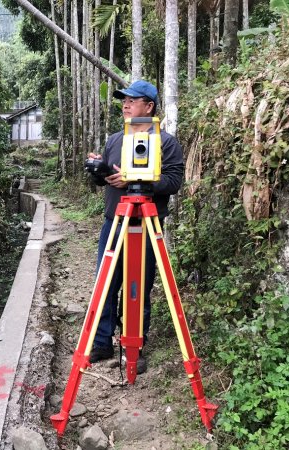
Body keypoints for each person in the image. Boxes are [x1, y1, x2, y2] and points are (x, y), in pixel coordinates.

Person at [86, 80, 184, 373]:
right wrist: (98, 170)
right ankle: (102, 342)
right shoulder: (115, 140)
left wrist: (136, 181)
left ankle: (134, 346)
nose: (125, 105)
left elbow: (173, 182)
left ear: (149, 107)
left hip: (146, 224)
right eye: (123, 101)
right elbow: (105, 181)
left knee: (138, 286)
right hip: (114, 220)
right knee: (105, 283)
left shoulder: (166, 142)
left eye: (132, 100)